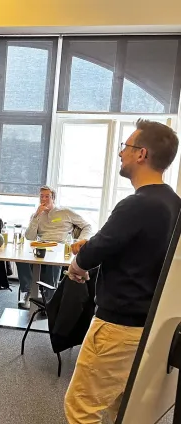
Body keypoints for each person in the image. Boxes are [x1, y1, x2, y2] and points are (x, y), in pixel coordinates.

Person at [64, 120, 181, 423]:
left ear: (141, 154)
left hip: (118, 327)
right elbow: (139, 250)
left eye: (125, 147)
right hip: (149, 325)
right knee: (124, 409)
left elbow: (93, 252)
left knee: (81, 408)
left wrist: (78, 265)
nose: (120, 153)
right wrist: (93, 248)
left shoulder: (137, 204)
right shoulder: (173, 203)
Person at [17, 186, 92, 309]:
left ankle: (49, 297)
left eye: (47, 196)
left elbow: (87, 226)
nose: (44, 199)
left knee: (53, 259)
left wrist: (79, 241)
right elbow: (29, 237)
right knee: (20, 258)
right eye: (42, 196)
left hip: (59, 246)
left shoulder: (65, 212)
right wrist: (36, 216)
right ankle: (29, 290)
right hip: (42, 246)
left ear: (53, 198)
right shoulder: (36, 215)